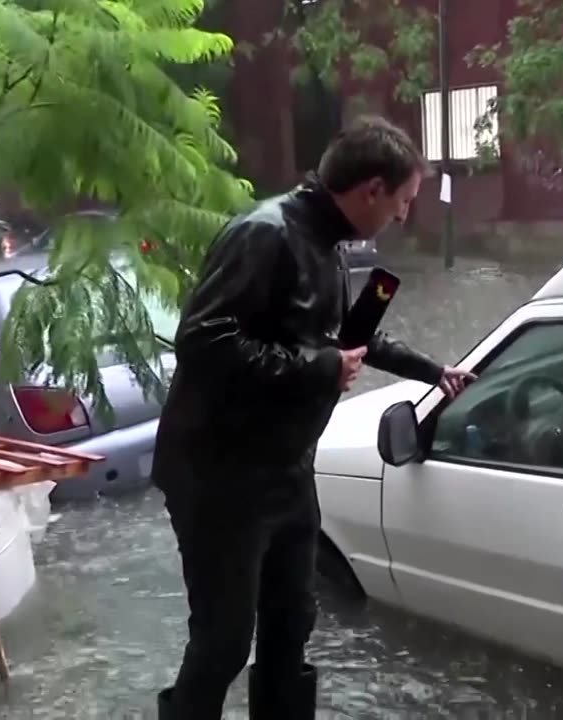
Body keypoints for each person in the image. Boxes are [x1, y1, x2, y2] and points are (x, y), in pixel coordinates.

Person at [153, 116, 474, 719]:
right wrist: (316, 368)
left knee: (293, 624)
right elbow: (202, 339)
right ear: (371, 190)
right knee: (223, 643)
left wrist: (436, 371)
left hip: (287, 470)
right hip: (219, 476)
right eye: (404, 201)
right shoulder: (264, 234)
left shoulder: (331, 246)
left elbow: (348, 339)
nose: (405, 215)